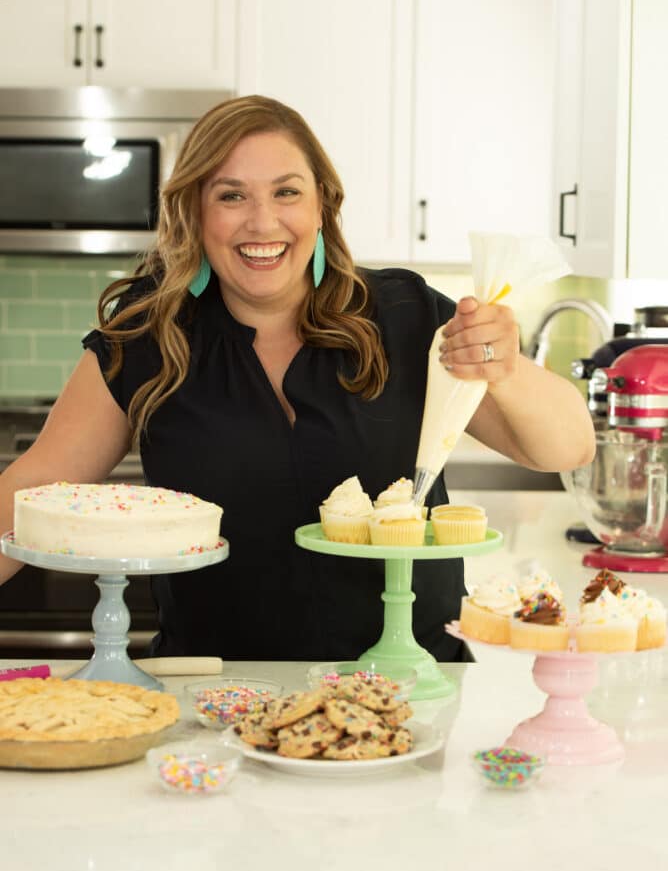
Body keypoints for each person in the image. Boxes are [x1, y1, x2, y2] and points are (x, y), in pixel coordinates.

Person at [0, 96, 595, 661]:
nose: (263, 223)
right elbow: (32, 491)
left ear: (321, 206)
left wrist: (506, 370)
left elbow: (566, 448)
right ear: (196, 210)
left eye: (287, 192)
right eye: (231, 195)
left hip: (406, 687)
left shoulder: (405, 314)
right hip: (216, 696)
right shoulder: (149, 338)